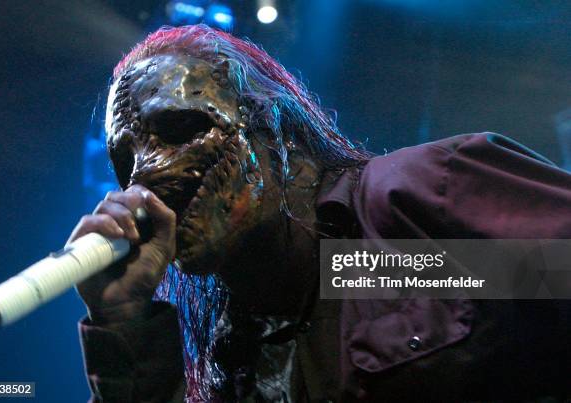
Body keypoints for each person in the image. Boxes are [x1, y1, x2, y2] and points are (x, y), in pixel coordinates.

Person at [68, 25, 571, 402]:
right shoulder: (234, 356)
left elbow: (555, 275)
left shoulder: (404, 210)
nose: (143, 178)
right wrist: (123, 323)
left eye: (179, 128)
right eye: (124, 162)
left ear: (277, 129)